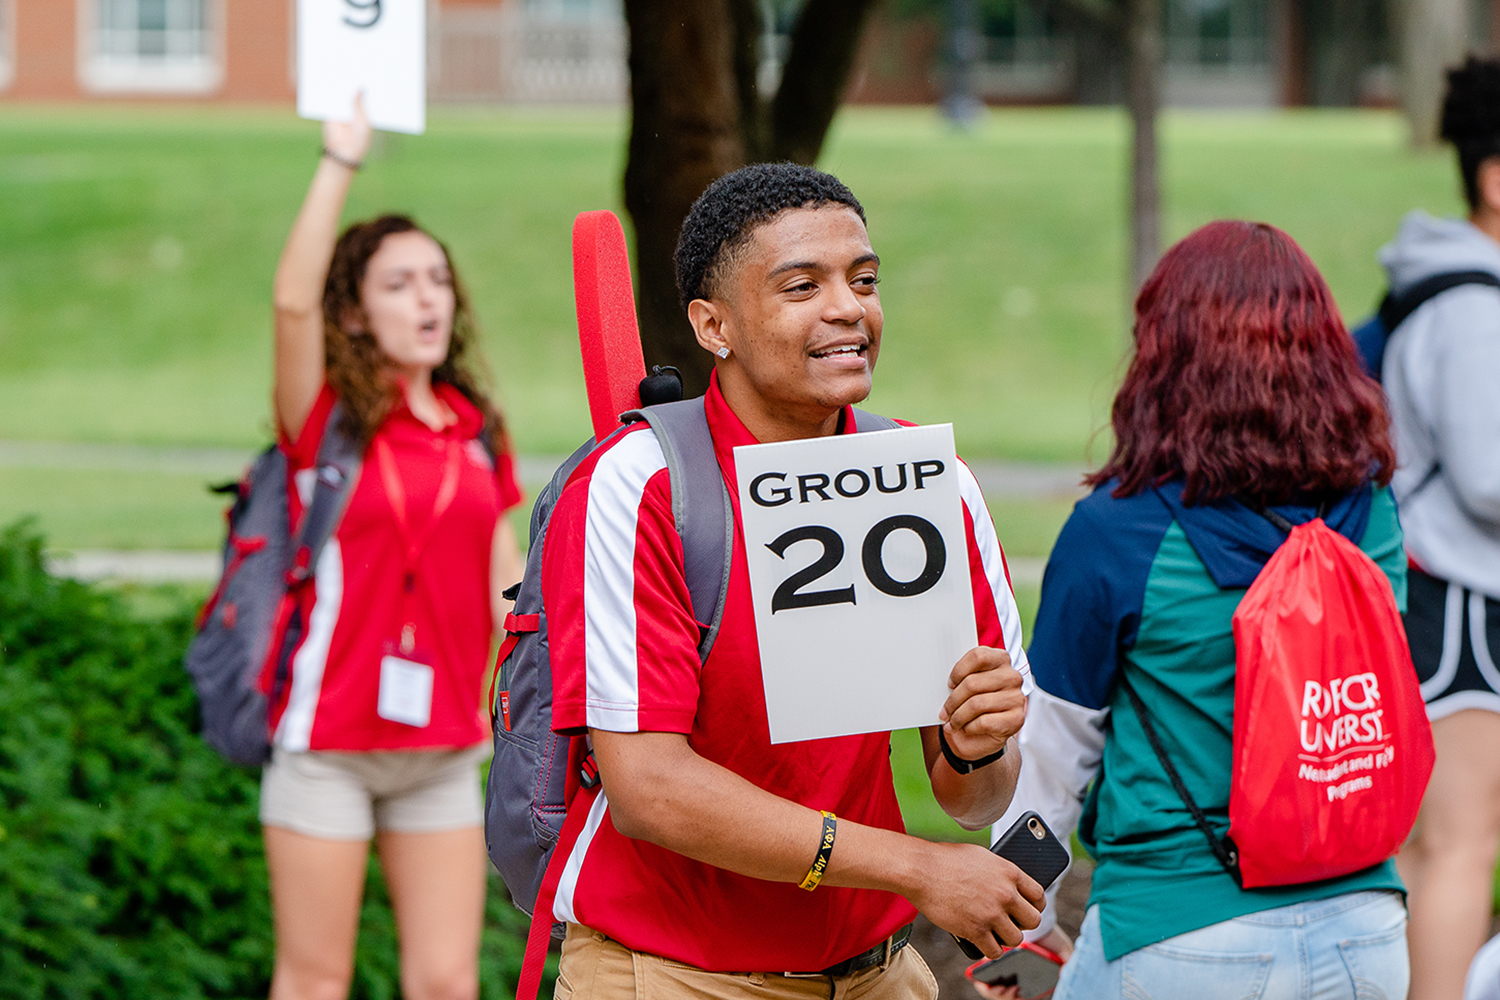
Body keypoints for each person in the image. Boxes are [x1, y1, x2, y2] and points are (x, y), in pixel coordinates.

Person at [538, 162, 1044, 998]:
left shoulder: (927, 481)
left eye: (865, 279)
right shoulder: (643, 486)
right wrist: (916, 867)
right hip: (675, 977)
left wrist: (975, 740)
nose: (849, 307)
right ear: (713, 325)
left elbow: (972, 798)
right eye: (801, 285)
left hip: (876, 976)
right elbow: (649, 789)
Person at [993, 221, 1410, 998]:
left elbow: (1051, 759)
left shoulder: (1118, 533)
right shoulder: (1374, 513)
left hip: (1179, 938)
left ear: (1164, 355)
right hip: (1367, 929)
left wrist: (1015, 923)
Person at [260, 98, 525, 1000]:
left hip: (445, 744)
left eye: (438, 280)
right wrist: (341, 160)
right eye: (399, 284)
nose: (427, 299)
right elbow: (292, 301)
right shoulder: (324, 422)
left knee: (448, 981)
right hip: (328, 742)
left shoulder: (473, 427)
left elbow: (510, 580)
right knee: (315, 979)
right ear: (358, 312)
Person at [1382, 56, 1500, 1000]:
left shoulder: (1457, 289)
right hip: (1461, 608)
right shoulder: (1471, 307)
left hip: (1443, 599)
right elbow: (1490, 479)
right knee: (1461, 849)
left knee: (1437, 849)